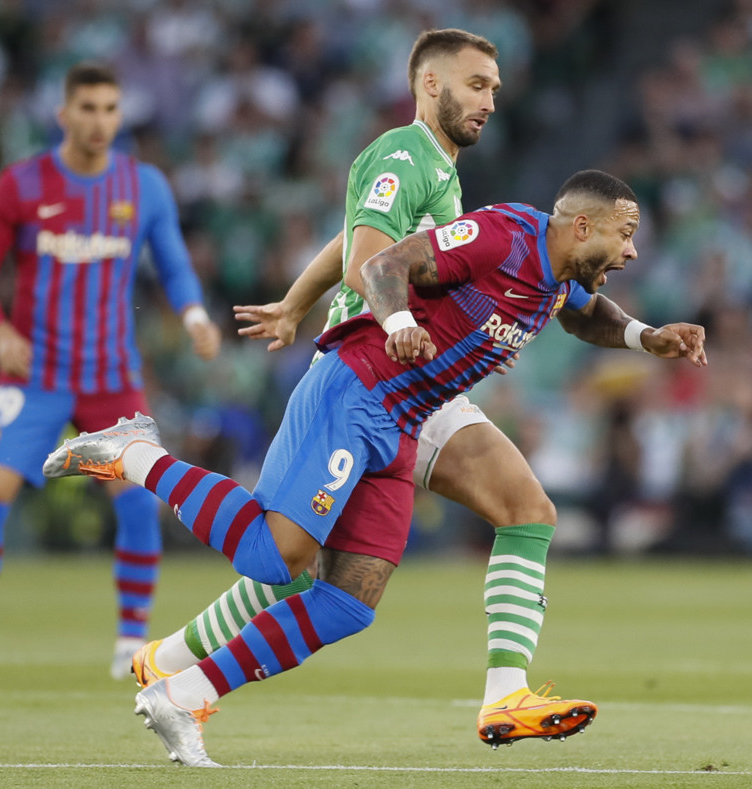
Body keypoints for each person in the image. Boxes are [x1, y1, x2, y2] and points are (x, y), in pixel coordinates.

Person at [44, 169, 707, 766]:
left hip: (405, 424)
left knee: (349, 602)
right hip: (358, 390)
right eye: (625, 235)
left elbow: (588, 317)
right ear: (581, 225)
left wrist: (644, 337)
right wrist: (394, 323)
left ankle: (182, 693)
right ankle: (135, 453)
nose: (632, 251)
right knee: (277, 559)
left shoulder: (558, 282)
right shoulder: (506, 235)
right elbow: (387, 263)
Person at [127, 27, 601, 748]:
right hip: (377, 371)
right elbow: (370, 262)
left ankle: (173, 667)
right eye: (477, 86)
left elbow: (355, 238)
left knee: (491, 521)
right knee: (295, 552)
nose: (490, 102)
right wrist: (401, 317)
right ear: (431, 84)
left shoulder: (440, 175)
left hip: (422, 388)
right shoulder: (405, 154)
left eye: (496, 90)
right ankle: (142, 493)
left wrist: (293, 302)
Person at [0, 62, 222, 682]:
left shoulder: (146, 186)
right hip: (35, 374)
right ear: (63, 115)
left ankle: (129, 643)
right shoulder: (22, 185)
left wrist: (194, 317)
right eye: (87, 108)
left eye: (110, 109)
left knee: (137, 501)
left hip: (111, 377)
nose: (100, 120)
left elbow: (174, 265)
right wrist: (0, 333)